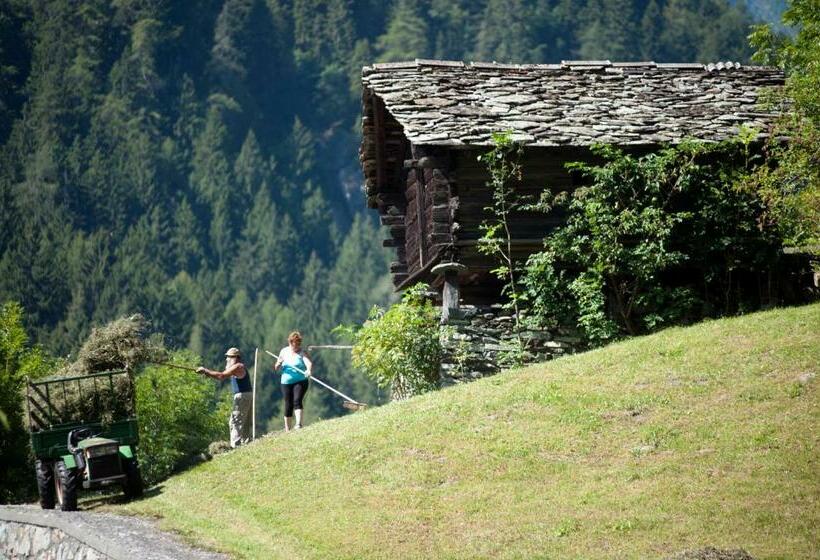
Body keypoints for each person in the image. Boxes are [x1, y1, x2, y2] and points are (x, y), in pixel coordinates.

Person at [197, 347, 252, 447]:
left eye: (230, 357)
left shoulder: (238, 366)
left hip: (242, 397)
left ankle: (236, 445)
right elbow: (221, 374)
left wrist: (206, 371)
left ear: (236, 357)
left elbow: (221, 376)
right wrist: (208, 374)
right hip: (245, 396)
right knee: (244, 422)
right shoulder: (237, 367)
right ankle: (245, 443)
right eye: (227, 357)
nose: (227, 359)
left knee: (235, 421)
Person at [274, 331, 312, 431]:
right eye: (295, 344)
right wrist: (279, 363)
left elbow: (308, 363)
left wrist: (308, 370)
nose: (297, 346)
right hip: (286, 382)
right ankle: (287, 429)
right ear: (290, 343)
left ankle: (298, 424)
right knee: (288, 404)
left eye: (299, 344)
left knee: (297, 400)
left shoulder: (302, 352)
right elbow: (276, 367)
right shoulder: (284, 352)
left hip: (301, 381)